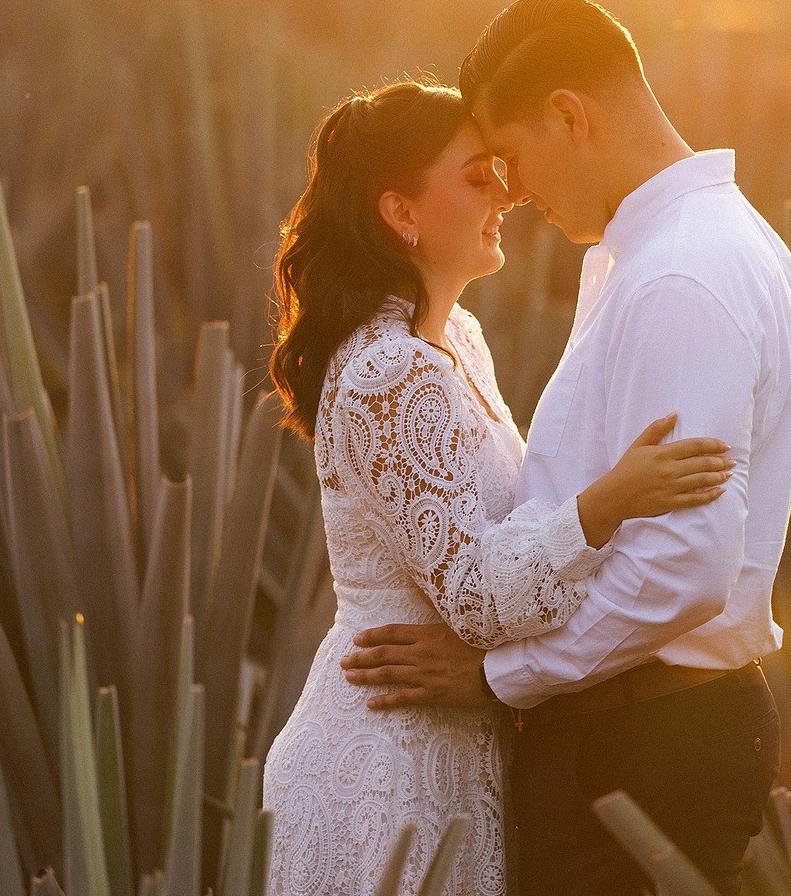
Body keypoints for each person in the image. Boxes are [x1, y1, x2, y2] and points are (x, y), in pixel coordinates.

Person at [338, 0, 791, 894]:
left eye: (511, 160)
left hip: (643, 745)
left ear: (570, 115)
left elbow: (685, 564)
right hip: (638, 735)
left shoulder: (678, 273)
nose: (512, 193)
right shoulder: (687, 247)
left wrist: (503, 676)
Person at [261, 79, 737, 895]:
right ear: (400, 213)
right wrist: (607, 502)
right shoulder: (388, 371)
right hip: (385, 769)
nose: (506, 196)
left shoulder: (459, 344)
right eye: (477, 178)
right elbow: (475, 598)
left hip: (454, 753)